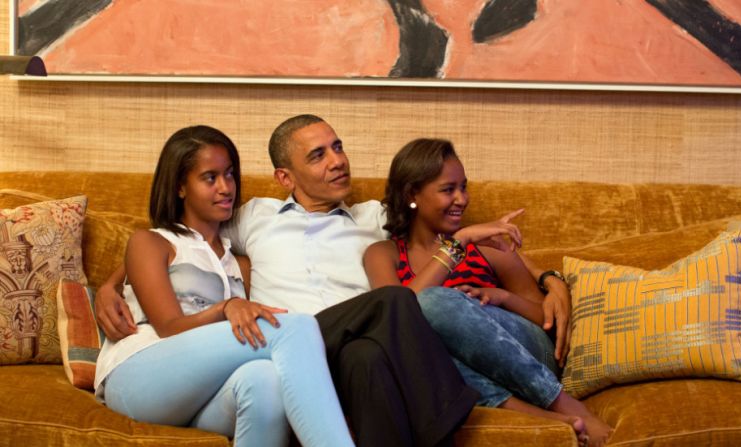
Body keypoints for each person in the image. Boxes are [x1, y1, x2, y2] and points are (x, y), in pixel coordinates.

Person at [95, 116, 480, 447]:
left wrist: (542, 278)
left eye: (229, 175)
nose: (225, 187)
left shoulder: (368, 219)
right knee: (351, 311)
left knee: (286, 376)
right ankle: (450, 411)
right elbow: (162, 250)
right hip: (205, 354)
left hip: (322, 356)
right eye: (318, 155)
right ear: (284, 176)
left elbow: (433, 218)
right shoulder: (253, 217)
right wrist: (110, 287)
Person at [94, 125, 354, 447]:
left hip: (199, 390)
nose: (225, 187)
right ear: (180, 187)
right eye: (210, 177)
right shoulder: (153, 242)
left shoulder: (239, 262)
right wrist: (226, 307)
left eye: (229, 175)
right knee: (296, 327)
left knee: (265, 381)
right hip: (140, 375)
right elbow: (169, 327)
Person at [363, 138, 613, 447]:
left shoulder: (488, 247)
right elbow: (396, 316)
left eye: (463, 187)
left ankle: (563, 403)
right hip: (455, 371)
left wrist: (501, 297)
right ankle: (545, 418)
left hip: (527, 356)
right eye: (447, 189)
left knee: (433, 303)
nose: (461, 199)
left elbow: (544, 320)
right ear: (412, 194)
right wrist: (458, 244)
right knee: (414, 343)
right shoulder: (383, 253)